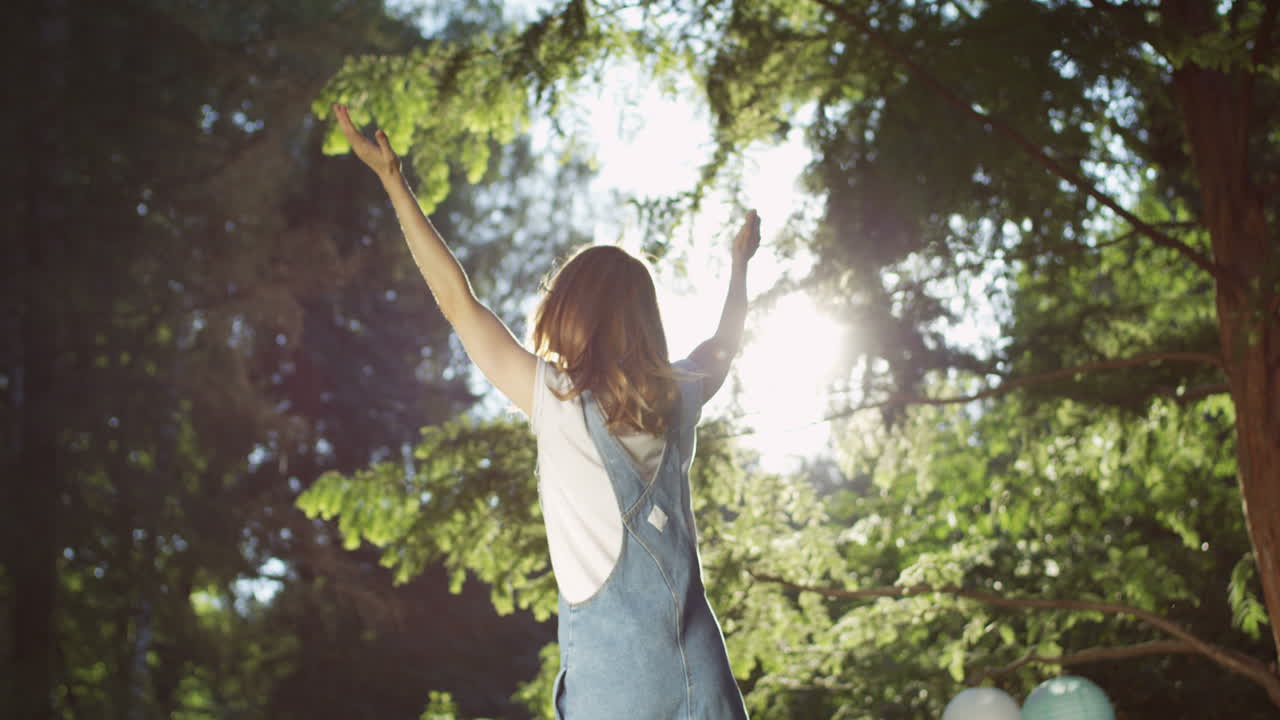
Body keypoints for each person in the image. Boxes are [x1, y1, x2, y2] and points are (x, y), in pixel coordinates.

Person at [335, 104, 757, 719]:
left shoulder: (557, 400)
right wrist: (740, 267)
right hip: (703, 683)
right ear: (644, 319)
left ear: (570, 312)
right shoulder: (677, 395)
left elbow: (458, 301)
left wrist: (394, 182)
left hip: (615, 693)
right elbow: (725, 342)